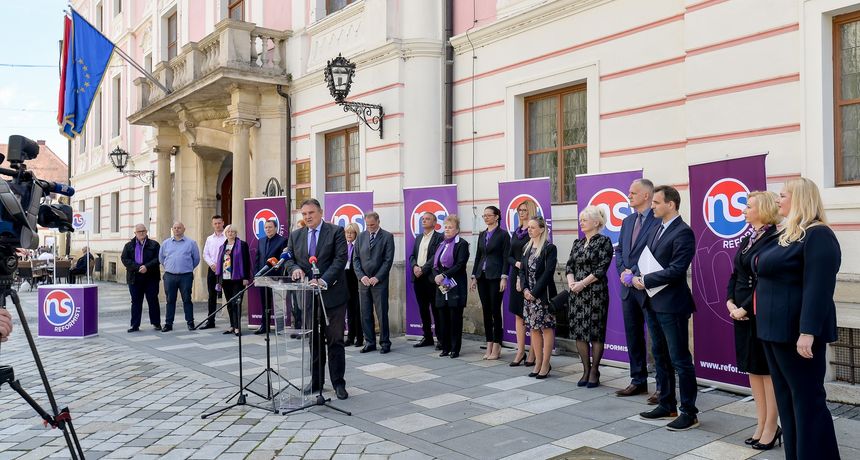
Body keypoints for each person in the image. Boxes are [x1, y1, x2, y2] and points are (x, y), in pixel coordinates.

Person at [754, 178, 841, 458]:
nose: (777, 200)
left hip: (796, 334)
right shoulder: (790, 233)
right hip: (774, 332)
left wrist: (808, 331)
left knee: (807, 401)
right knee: (788, 401)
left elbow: (819, 287)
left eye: (783, 195)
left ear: (800, 199)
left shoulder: (818, 235)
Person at [632, 185, 699, 431]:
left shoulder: (684, 232)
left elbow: (677, 269)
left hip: (672, 305)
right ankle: (667, 403)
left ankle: (689, 412)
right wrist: (635, 274)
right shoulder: (655, 228)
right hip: (652, 302)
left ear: (671, 204)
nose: (652, 206)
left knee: (680, 359)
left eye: (656, 203)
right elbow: (646, 257)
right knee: (660, 355)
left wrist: (645, 280)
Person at [725, 191, 780, 449]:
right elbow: (735, 273)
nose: (743, 210)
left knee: (766, 370)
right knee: (752, 368)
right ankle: (761, 423)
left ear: (764, 209)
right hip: (740, 312)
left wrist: (745, 307)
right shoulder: (749, 238)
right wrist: (729, 301)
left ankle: (772, 426)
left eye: (748, 206)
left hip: (760, 311)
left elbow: (765, 280)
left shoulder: (775, 238)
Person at [284, 198, 349, 400]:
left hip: (333, 295)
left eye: (311, 213)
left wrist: (323, 280)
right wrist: (294, 269)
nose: (307, 217)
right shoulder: (296, 235)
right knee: (314, 340)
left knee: (335, 340)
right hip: (308, 296)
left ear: (321, 212)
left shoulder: (336, 231)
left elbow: (340, 259)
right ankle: (316, 381)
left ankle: (338, 383)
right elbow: (289, 259)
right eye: (304, 214)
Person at [615, 179, 660, 401]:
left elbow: (655, 251)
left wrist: (632, 273)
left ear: (646, 195)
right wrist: (623, 271)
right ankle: (638, 380)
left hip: (648, 288)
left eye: (633, 193)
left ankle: (662, 386)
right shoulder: (628, 221)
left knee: (657, 340)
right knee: (633, 336)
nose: (629, 195)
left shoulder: (658, 220)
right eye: (629, 192)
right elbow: (620, 251)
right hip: (628, 289)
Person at [566, 206, 613, 388]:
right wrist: (572, 283)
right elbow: (569, 265)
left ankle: (594, 371)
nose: (581, 223)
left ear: (596, 222)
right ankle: (585, 370)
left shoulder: (604, 241)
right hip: (577, 294)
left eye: (585, 220)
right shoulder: (577, 243)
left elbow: (601, 269)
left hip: (595, 293)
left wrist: (582, 284)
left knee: (595, 332)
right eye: (581, 220)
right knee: (579, 332)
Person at [519, 216, 557, 379]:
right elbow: (522, 271)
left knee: (546, 328)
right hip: (528, 296)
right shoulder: (526, 247)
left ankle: (545, 364)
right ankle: (538, 362)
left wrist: (534, 292)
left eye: (533, 227)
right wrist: (525, 289)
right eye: (528, 227)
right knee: (533, 328)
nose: (529, 230)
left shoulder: (549, 248)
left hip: (542, 296)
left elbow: (548, 273)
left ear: (541, 229)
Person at [471, 206, 510, 360]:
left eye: (488, 215)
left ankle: (497, 344)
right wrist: (474, 276)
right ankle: (489, 343)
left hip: (496, 277)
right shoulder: (482, 234)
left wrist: (504, 277)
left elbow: (506, 257)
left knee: (495, 311)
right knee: (486, 311)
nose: (486, 218)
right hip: (482, 276)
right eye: (484, 215)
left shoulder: (503, 235)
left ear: (497, 216)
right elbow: (478, 256)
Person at [354, 212, 395, 354]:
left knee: (382, 313)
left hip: (379, 282)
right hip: (364, 282)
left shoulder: (387, 237)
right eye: (367, 225)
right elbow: (356, 259)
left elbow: (388, 260)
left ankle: (385, 342)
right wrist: (361, 276)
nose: (370, 227)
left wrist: (377, 277)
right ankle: (370, 342)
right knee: (365, 313)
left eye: (372, 225)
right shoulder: (360, 237)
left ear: (378, 222)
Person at [432, 215, 470, 359]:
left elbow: (460, 265)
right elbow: (435, 264)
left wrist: (443, 275)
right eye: (446, 227)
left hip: (455, 285)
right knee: (443, 317)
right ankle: (445, 347)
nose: (447, 230)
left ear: (457, 230)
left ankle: (455, 348)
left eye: (450, 227)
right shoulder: (441, 244)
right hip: (442, 286)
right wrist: (437, 276)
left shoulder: (462, 244)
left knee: (455, 318)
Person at [508, 199, 537, 367]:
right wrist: (516, 263)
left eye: (524, 210)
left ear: (530, 211)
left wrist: (524, 264)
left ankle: (533, 352)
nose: (521, 213)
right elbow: (509, 255)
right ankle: (520, 351)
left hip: (529, 276)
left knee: (531, 315)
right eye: (519, 210)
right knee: (518, 314)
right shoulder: (516, 232)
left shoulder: (533, 231)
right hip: (515, 275)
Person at [409, 212, 444, 349]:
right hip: (418, 278)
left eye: (427, 219)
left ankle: (440, 339)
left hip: (431, 278)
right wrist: (414, 266)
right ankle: (427, 337)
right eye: (423, 219)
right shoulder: (418, 237)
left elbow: (436, 256)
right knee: (423, 309)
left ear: (434, 222)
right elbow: (412, 255)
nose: (424, 221)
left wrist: (423, 269)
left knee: (436, 309)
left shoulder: (439, 237)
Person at [159, 221, 201, 332]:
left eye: (179, 228)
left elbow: (196, 259)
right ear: (172, 229)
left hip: (185, 276)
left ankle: (190, 322)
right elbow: (161, 258)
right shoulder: (166, 243)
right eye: (175, 228)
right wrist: (170, 267)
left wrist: (187, 267)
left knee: (187, 299)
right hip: (170, 276)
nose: (177, 229)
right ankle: (168, 324)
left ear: (184, 229)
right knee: (170, 300)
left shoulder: (191, 243)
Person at [120, 224, 162, 333]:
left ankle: (156, 323)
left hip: (151, 277)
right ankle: (135, 325)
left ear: (146, 231)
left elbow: (158, 258)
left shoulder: (154, 244)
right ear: (135, 233)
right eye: (139, 231)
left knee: (153, 300)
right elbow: (124, 259)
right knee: (136, 302)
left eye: (143, 231)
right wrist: (138, 267)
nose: (141, 233)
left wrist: (146, 267)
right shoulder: (129, 246)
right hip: (135, 278)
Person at [215, 225, 251, 336]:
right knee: (230, 304)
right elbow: (220, 263)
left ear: (236, 233)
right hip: (225, 279)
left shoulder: (242, 245)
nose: (230, 233)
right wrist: (218, 280)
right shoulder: (223, 246)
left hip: (238, 279)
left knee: (236, 303)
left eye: (233, 231)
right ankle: (232, 325)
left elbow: (247, 261)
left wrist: (246, 277)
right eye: (228, 232)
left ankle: (237, 327)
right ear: (225, 234)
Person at [254, 219, 287, 334]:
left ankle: (280, 328)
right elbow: (258, 259)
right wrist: (256, 274)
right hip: (262, 278)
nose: (268, 229)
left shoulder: (283, 241)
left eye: (270, 227)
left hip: (276, 278)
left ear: (276, 228)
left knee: (278, 303)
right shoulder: (261, 241)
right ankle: (265, 326)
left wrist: (280, 276)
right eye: (266, 227)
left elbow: (283, 261)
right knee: (265, 303)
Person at [201, 215, 226, 330]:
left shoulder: (227, 237)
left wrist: (221, 265)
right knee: (212, 296)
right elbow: (205, 254)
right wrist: (211, 264)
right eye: (215, 223)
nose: (217, 225)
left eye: (219, 223)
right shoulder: (209, 239)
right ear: (212, 224)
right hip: (212, 269)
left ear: (223, 223)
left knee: (229, 295)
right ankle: (210, 321)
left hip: (226, 269)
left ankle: (234, 324)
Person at [343, 223, 363, 347]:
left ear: (356, 233)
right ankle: (350, 337)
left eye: (351, 232)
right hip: (346, 280)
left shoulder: (358, 246)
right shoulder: (344, 246)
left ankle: (359, 338)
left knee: (357, 310)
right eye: (347, 232)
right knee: (349, 310)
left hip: (356, 279)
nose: (349, 235)